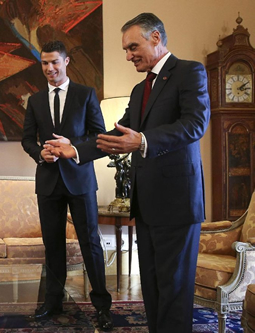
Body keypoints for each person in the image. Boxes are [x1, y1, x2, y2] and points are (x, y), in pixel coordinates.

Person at [45, 13, 210, 333]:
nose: (128, 55)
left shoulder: (190, 72)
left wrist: (145, 140)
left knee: (174, 289)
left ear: (156, 38)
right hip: (146, 203)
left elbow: (195, 125)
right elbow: (115, 136)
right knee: (152, 287)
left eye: (133, 46)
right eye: (125, 49)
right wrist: (75, 149)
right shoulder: (139, 89)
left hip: (178, 203)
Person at [21, 40, 113, 330]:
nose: (50, 68)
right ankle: (52, 302)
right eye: (45, 63)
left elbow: (100, 137)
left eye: (55, 62)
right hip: (48, 182)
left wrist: (71, 147)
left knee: (90, 243)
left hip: (80, 180)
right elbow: (26, 139)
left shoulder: (86, 95)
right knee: (53, 245)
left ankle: (102, 306)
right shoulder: (34, 100)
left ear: (66, 62)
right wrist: (40, 153)